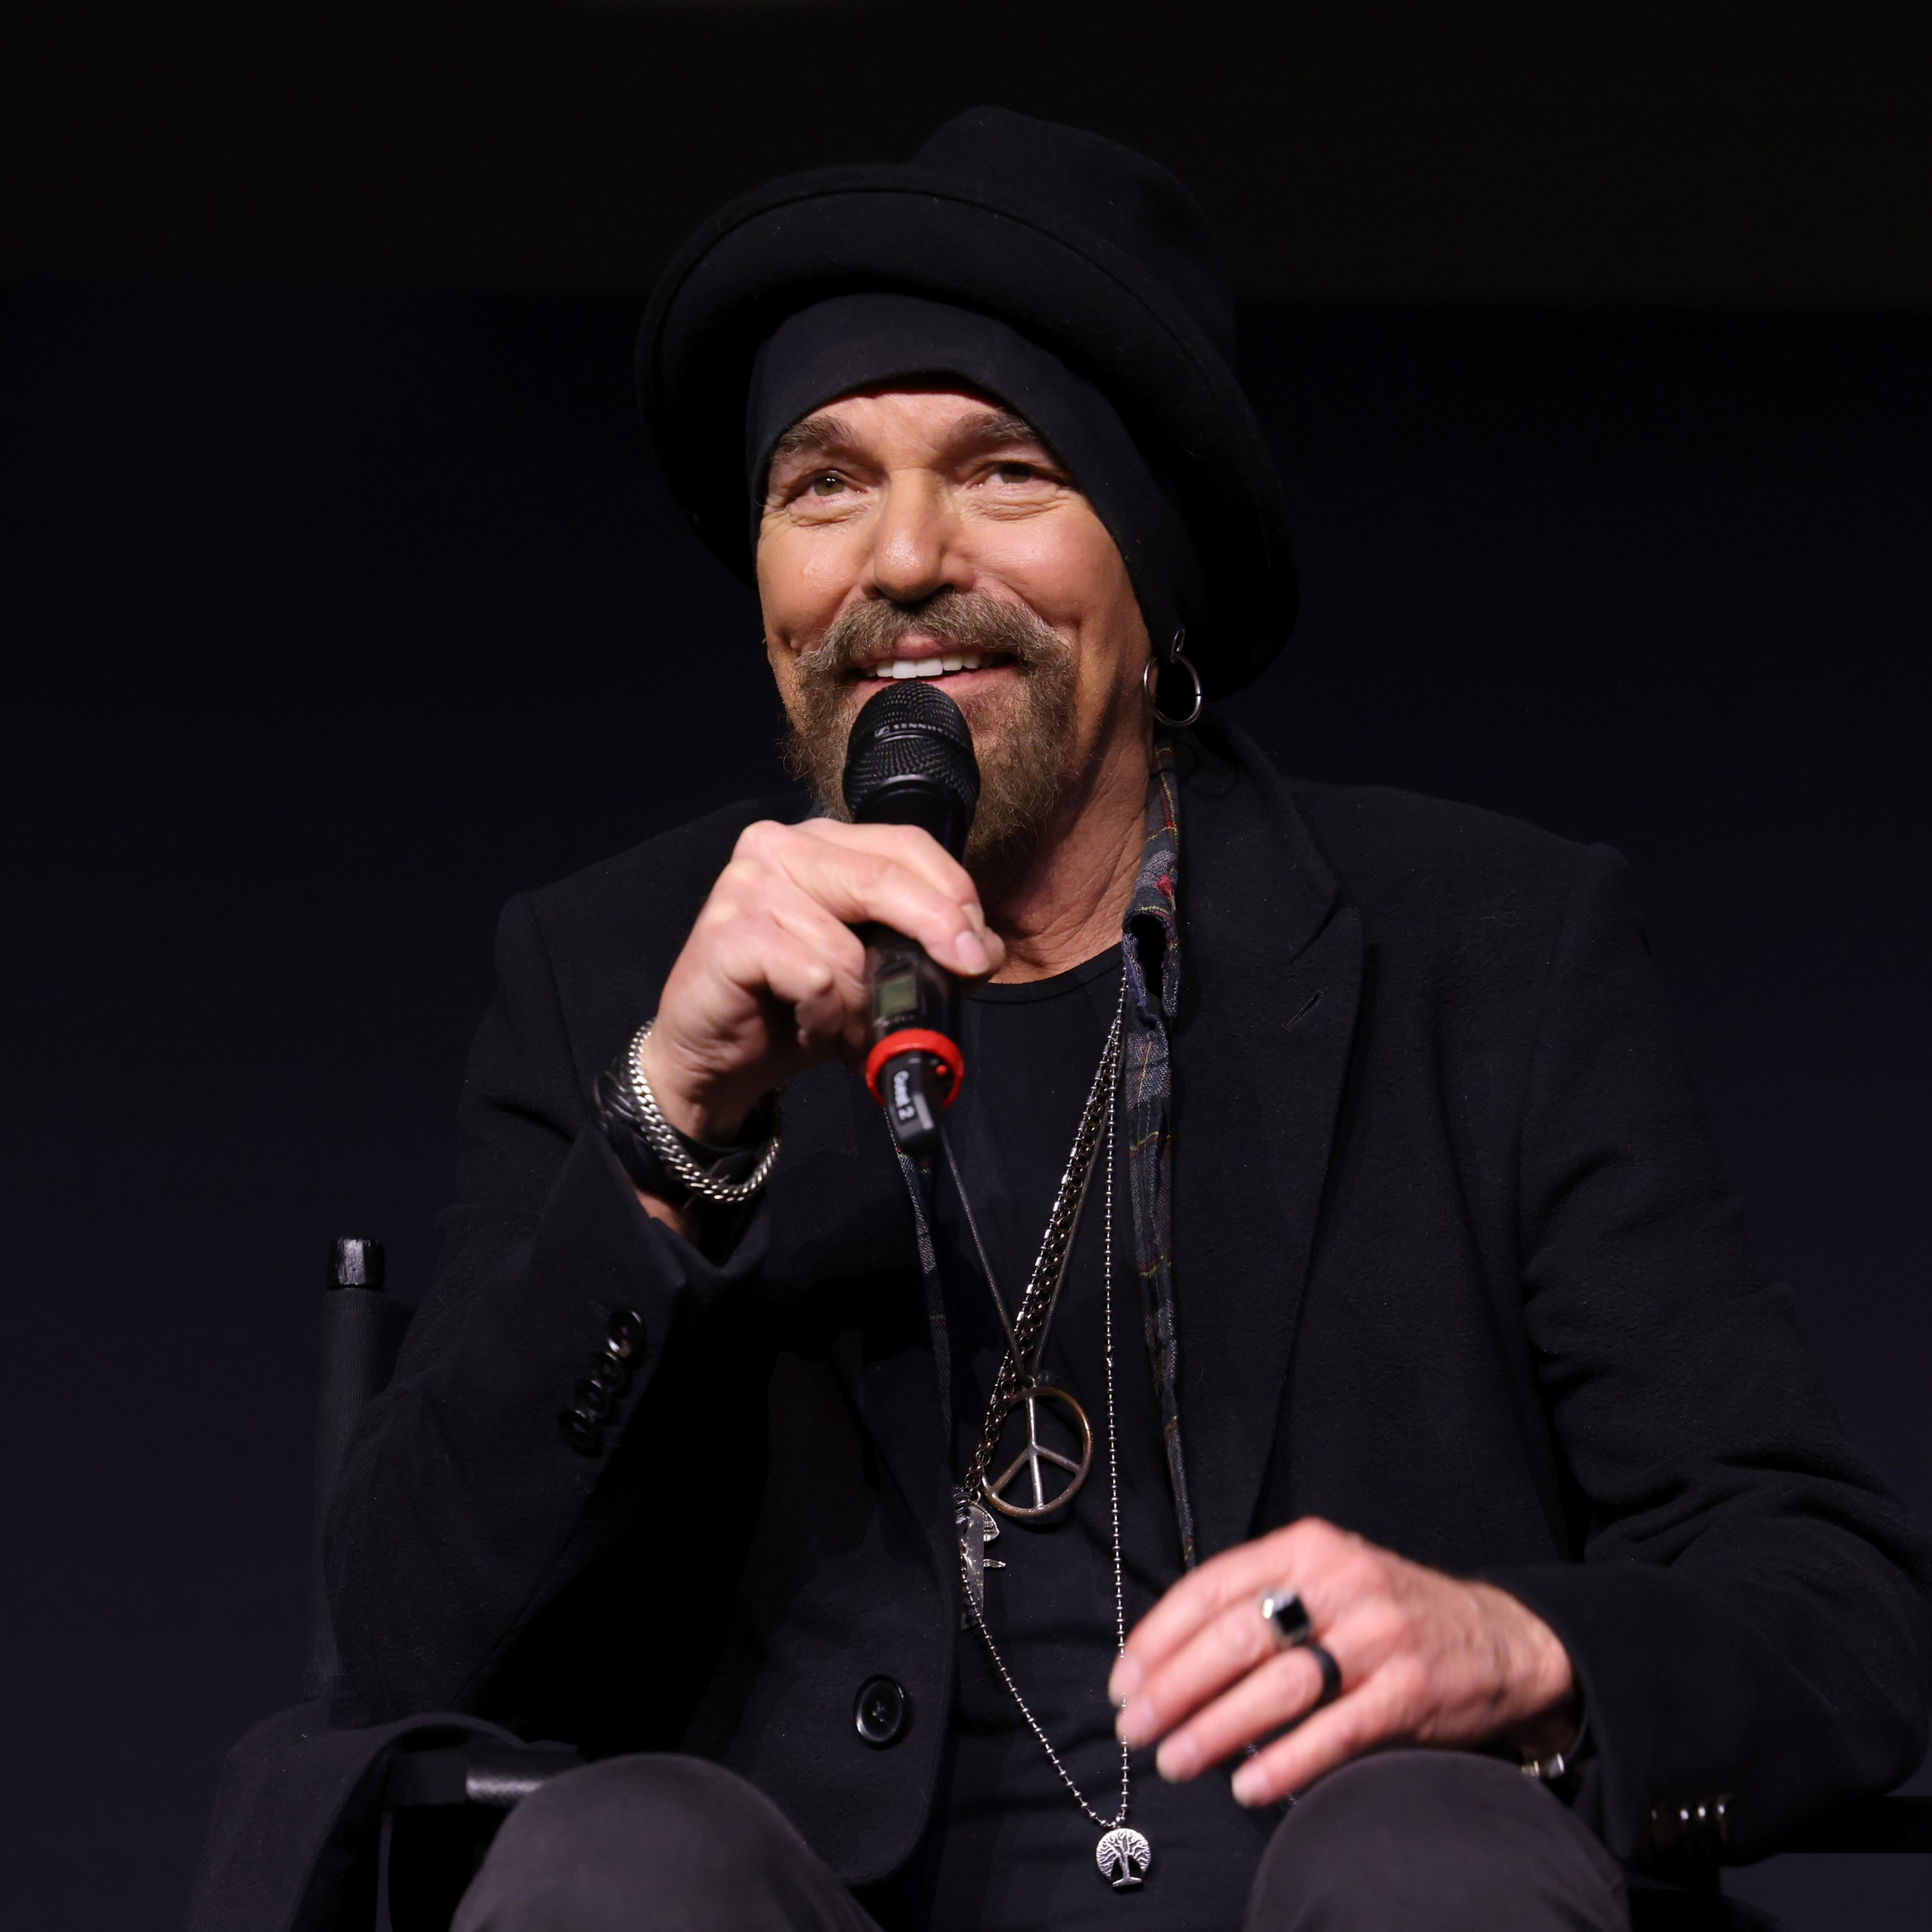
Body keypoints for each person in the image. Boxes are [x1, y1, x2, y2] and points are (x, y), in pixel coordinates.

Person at [324, 109, 1932, 1931]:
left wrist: (1519, 1647)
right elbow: (402, 1652)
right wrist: (668, 1135)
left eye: (1007, 471)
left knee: (1430, 1857)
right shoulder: (617, 974)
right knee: (614, 1859)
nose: (905, 558)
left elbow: (1836, 1610)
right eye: (824, 483)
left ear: (1154, 566)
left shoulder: (1491, 949)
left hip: (1335, 1893)